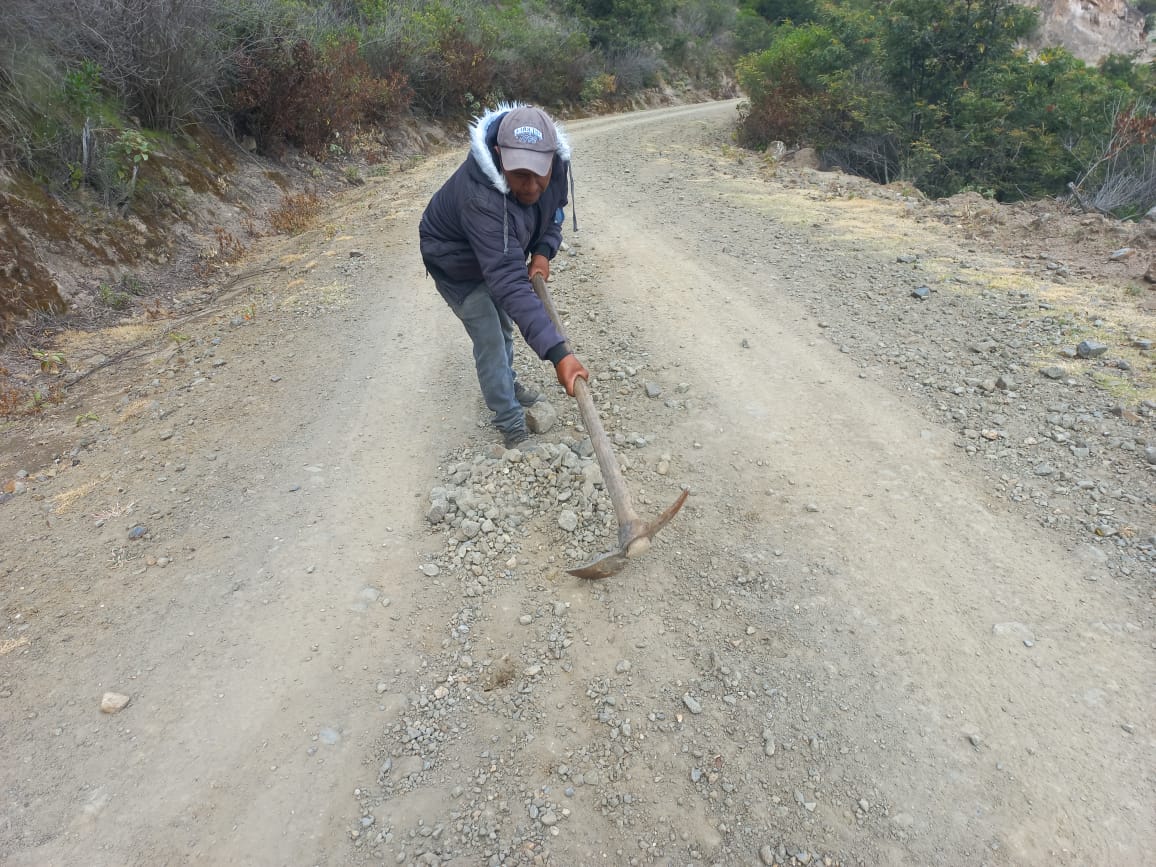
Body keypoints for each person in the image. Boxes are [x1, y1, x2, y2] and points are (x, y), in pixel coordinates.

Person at [419, 103, 589, 448]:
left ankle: (507, 385)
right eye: (520, 174)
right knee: (490, 337)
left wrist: (542, 253)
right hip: (455, 263)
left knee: (505, 325)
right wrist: (559, 354)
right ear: (499, 155)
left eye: (538, 174)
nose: (531, 186)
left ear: (551, 158)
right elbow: (509, 282)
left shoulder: (555, 168)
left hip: (494, 253)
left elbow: (553, 215)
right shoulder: (480, 197)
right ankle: (510, 423)